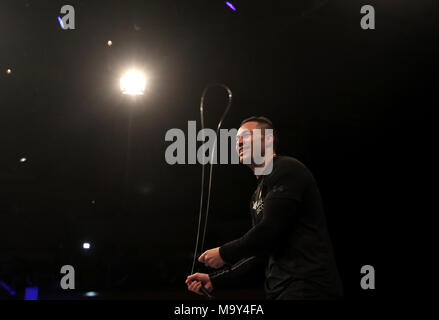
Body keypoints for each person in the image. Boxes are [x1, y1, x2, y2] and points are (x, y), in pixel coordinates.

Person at [186, 116, 343, 300]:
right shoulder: (257, 195)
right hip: (278, 291)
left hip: (309, 286)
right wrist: (216, 280)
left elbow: (269, 229)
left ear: (268, 139)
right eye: (237, 140)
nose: (239, 142)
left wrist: (224, 252)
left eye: (246, 136)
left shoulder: (286, 169)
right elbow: (260, 252)